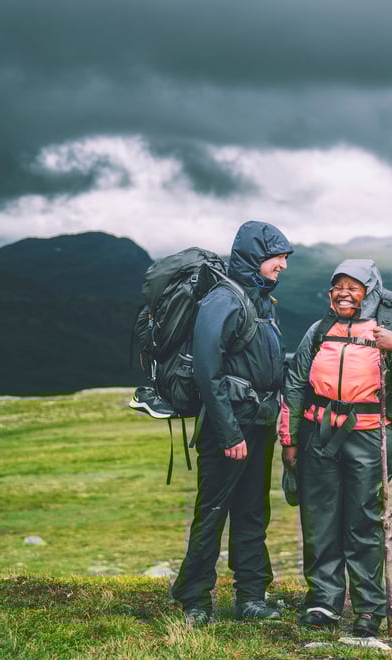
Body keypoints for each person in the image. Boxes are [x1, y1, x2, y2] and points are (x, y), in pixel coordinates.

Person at [280, 259, 392, 638]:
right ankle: (323, 603)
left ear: (370, 290)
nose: (344, 292)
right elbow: (295, 384)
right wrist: (290, 439)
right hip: (319, 434)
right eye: (338, 286)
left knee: (364, 523)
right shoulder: (319, 331)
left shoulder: (387, 333)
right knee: (319, 519)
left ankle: (369, 610)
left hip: (367, 435)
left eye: (354, 285)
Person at [170, 221, 293, 626]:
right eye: (279, 258)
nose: (283, 267)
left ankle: (251, 597)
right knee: (214, 510)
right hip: (231, 428)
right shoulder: (224, 300)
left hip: (257, 425)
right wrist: (228, 432)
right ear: (258, 257)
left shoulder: (260, 302)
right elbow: (207, 369)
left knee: (252, 510)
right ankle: (195, 602)